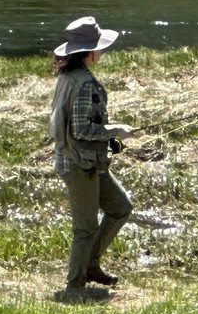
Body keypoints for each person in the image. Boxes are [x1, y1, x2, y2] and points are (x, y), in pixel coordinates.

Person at [48, 16, 135, 298]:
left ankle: (91, 266)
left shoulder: (68, 77)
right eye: (99, 47)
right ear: (89, 51)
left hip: (87, 161)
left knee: (120, 207)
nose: (102, 52)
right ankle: (74, 287)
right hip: (79, 164)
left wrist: (109, 134)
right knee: (85, 228)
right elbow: (82, 129)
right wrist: (115, 130)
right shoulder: (84, 84)